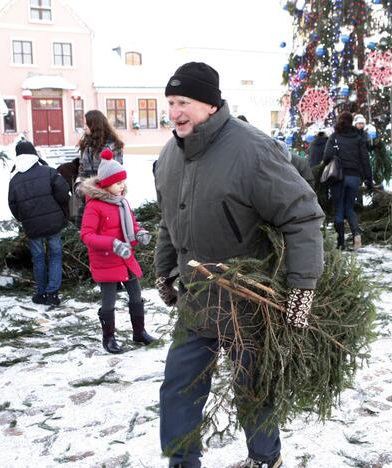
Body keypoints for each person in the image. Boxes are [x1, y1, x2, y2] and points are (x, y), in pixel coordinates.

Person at [155, 62, 324, 468]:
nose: (175, 112)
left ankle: (265, 458)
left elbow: (302, 217)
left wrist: (301, 290)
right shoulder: (170, 155)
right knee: (179, 385)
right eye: (171, 102)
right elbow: (169, 219)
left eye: (185, 103)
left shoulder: (252, 150)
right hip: (196, 299)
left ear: (211, 105)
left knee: (252, 385)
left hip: (248, 300)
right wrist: (163, 271)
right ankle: (182, 462)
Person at [80, 148, 155, 353]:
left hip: (125, 257)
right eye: (118, 183)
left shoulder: (122, 202)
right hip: (106, 260)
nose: (122, 186)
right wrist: (112, 243)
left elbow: (131, 225)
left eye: (123, 182)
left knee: (136, 294)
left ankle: (139, 332)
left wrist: (139, 233)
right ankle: (109, 338)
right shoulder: (94, 207)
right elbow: (87, 235)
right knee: (109, 301)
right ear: (105, 183)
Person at [8, 140, 70, 306]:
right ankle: (53, 294)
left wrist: (25, 218)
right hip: (54, 223)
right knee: (55, 255)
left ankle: (41, 293)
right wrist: (60, 209)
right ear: (34, 154)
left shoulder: (14, 180)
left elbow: (12, 205)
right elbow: (64, 193)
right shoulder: (49, 172)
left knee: (38, 258)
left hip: (33, 227)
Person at [323, 111, 373, 250]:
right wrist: (369, 180)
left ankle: (341, 243)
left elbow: (327, 157)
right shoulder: (358, 138)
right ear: (352, 122)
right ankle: (356, 235)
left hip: (338, 177)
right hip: (354, 177)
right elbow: (365, 160)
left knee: (339, 209)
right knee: (349, 208)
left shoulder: (334, 137)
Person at [75, 110, 124, 226]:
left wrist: (98, 192)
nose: (83, 127)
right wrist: (79, 187)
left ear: (94, 125)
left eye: (86, 124)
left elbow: (115, 175)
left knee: (105, 228)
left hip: (106, 195)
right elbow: (81, 169)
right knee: (87, 229)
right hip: (86, 195)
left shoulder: (113, 146)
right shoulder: (85, 144)